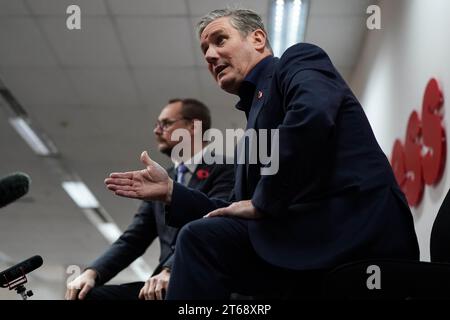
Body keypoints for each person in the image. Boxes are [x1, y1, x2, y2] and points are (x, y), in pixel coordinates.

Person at [105, 9, 419, 299]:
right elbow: (232, 208)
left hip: (354, 230)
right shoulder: (252, 119)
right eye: (205, 51)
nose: (211, 55)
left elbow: (311, 118)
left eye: (220, 40)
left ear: (257, 38)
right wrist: (173, 192)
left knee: (200, 240)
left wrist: (262, 201)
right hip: (305, 240)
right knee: (209, 242)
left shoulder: (297, 61)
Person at [65, 98, 234, 300]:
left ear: (192, 126)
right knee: (87, 297)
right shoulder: (161, 179)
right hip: (162, 284)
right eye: (157, 124)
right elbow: (133, 239)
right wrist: (92, 273)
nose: (157, 130)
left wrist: (171, 269)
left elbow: (215, 223)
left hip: (206, 282)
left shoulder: (226, 169)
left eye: (166, 123)